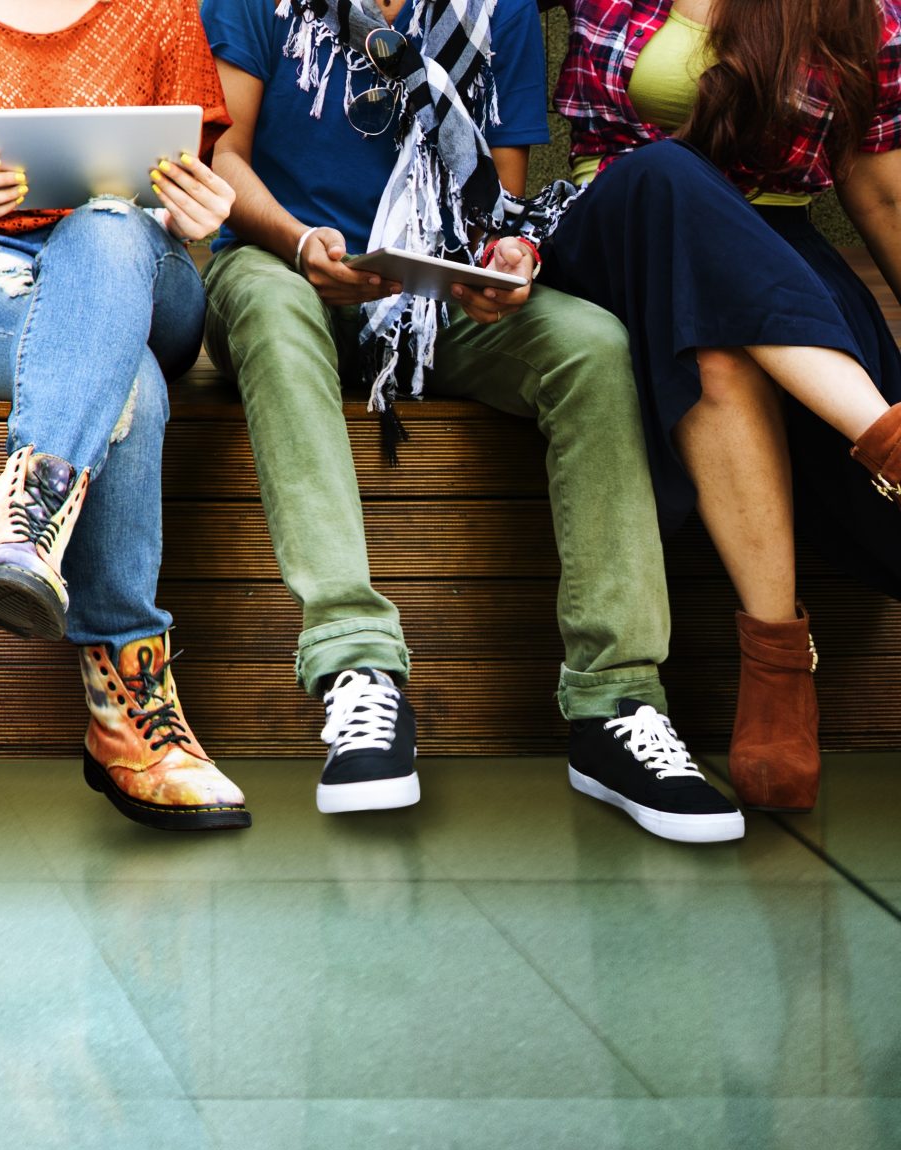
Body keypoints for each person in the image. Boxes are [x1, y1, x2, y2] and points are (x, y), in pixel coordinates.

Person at [200, 0, 745, 843]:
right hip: (282, 265)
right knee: (272, 311)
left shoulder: (497, 11)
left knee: (593, 347)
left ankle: (615, 702)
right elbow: (221, 156)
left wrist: (506, 260)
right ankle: (357, 669)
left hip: (429, 292)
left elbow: (498, 197)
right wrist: (302, 240)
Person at [0, 0, 251, 831]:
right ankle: (132, 721)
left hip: (140, 264)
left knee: (109, 223)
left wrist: (194, 214)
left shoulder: (160, 8)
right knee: (131, 386)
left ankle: (26, 522)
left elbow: (194, 168)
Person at [546, 0, 901, 815]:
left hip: (773, 257)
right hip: (615, 239)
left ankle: (778, 667)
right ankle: (883, 438)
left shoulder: (863, 11)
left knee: (716, 346)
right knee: (665, 172)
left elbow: (879, 195)